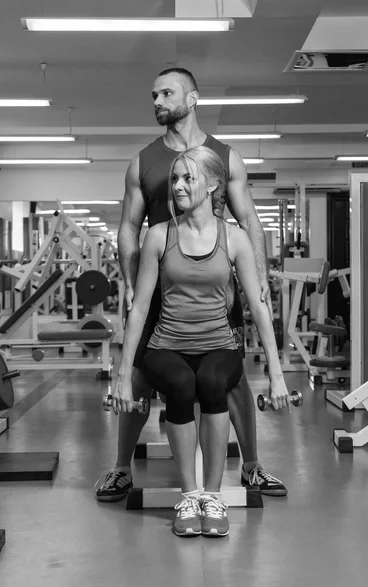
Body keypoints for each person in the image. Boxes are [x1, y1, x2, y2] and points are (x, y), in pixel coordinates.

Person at [95, 67, 289, 505]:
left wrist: (256, 281)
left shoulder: (225, 156)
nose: (157, 102)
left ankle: (252, 467)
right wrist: (129, 281)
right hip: (160, 282)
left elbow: (249, 221)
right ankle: (122, 468)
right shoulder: (143, 161)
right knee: (142, 373)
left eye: (167, 93)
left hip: (217, 289)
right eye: (154, 94)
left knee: (229, 376)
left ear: (193, 98)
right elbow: (128, 228)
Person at [115, 146, 289, 536]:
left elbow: (260, 310)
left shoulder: (235, 238)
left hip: (218, 345)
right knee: (179, 383)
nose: (177, 186)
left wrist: (277, 376)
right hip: (166, 346)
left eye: (187, 178)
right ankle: (189, 495)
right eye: (175, 178)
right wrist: (124, 376)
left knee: (212, 382)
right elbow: (140, 309)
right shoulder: (159, 236)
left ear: (213, 184)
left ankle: (212, 497)